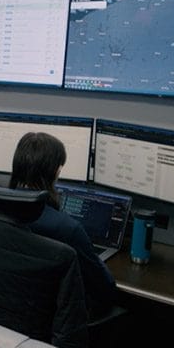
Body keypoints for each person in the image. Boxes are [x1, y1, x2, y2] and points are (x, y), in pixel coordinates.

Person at [9, 132, 118, 316]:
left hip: (0, 314)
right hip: (49, 324)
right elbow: (104, 288)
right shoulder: (67, 229)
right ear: (57, 172)